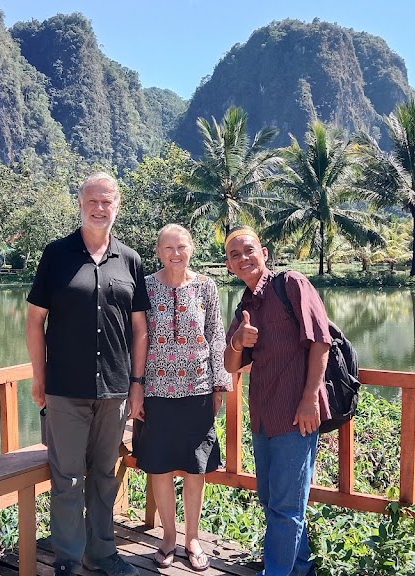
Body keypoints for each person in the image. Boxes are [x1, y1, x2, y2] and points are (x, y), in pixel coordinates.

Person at [26, 172, 148, 576]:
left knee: (104, 474)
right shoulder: (56, 255)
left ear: (118, 206)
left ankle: (102, 552)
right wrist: (39, 376)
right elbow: (34, 321)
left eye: (107, 201)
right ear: (81, 203)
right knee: (67, 478)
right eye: (92, 200)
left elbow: (140, 328)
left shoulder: (129, 259)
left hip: (114, 389)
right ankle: (67, 557)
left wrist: (135, 384)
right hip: (64, 389)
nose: (100, 208)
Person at [223, 225, 331, 576]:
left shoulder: (291, 284)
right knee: (272, 500)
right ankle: (301, 569)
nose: (243, 259)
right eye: (234, 255)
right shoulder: (246, 305)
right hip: (263, 416)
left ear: (264, 253)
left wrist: (310, 399)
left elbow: (321, 342)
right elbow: (230, 364)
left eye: (249, 250)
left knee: (286, 507)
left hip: (296, 414)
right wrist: (239, 340)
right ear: (228, 265)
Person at [129, 224, 231, 572]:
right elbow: (137, 338)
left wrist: (220, 384)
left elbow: (216, 336)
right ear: (158, 251)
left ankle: (192, 538)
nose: (176, 253)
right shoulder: (145, 286)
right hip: (157, 390)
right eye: (169, 247)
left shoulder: (206, 287)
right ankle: (168, 538)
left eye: (182, 247)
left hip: (198, 389)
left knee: (194, 467)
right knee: (158, 465)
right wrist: (136, 386)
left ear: (192, 249)